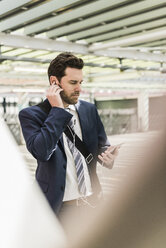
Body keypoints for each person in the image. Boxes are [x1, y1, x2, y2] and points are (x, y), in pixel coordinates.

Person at [19, 52, 120, 225]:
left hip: (92, 204)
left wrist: (108, 156)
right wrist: (58, 110)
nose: (79, 89)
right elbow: (42, 152)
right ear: (54, 82)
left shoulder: (89, 109)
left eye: (80, 82)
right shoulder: (30, 115)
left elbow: (101, 146)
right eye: (73, 83)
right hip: (59, 208)